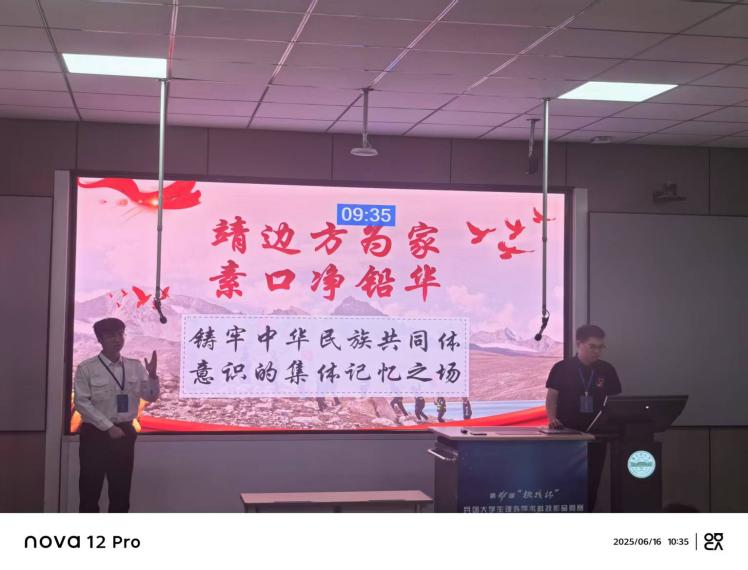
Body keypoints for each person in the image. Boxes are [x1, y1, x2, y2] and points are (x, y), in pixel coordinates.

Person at [74, 318, 160, 512]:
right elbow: (81, 402)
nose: (117, 339)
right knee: (89, 491)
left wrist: (153, 376)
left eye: (120, 334)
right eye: (111, 335)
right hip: (95, 434)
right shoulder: (87, 368)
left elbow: (150, 396)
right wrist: (108, 427)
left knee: (121, 492)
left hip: (124, 433)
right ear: (100, 339)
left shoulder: (135, 366)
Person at [545, 324, 621, 512]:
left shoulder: (607, 369)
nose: (597, 351)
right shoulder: (562, 368)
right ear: (579, 344)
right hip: (566, 434)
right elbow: (552, 397)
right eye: (592, 346)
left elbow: (614, 401)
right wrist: (552, 418)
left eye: (601, 347)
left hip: (597, 434)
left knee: (592, 482)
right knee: (565, 480)